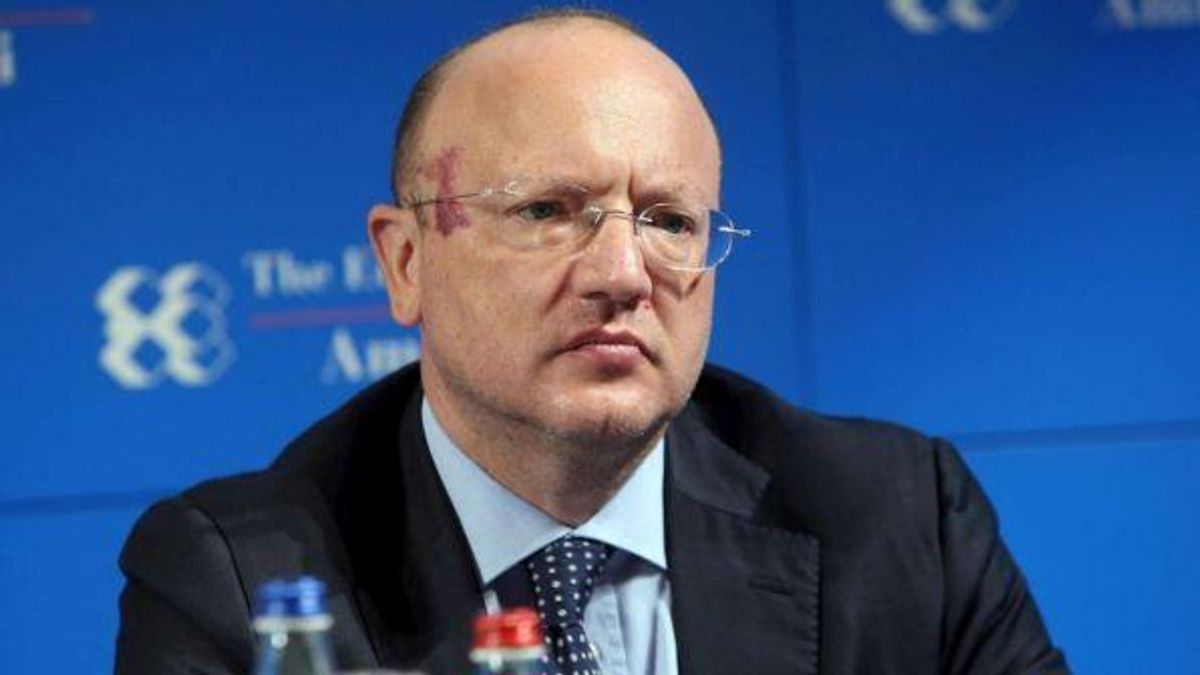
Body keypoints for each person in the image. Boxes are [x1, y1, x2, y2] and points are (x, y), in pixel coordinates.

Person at [115, 8, 1068, 675]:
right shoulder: (242, 584)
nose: (622, 272)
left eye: (669, 220)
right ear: (406, 262)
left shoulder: (902, 523)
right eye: (547, 210)